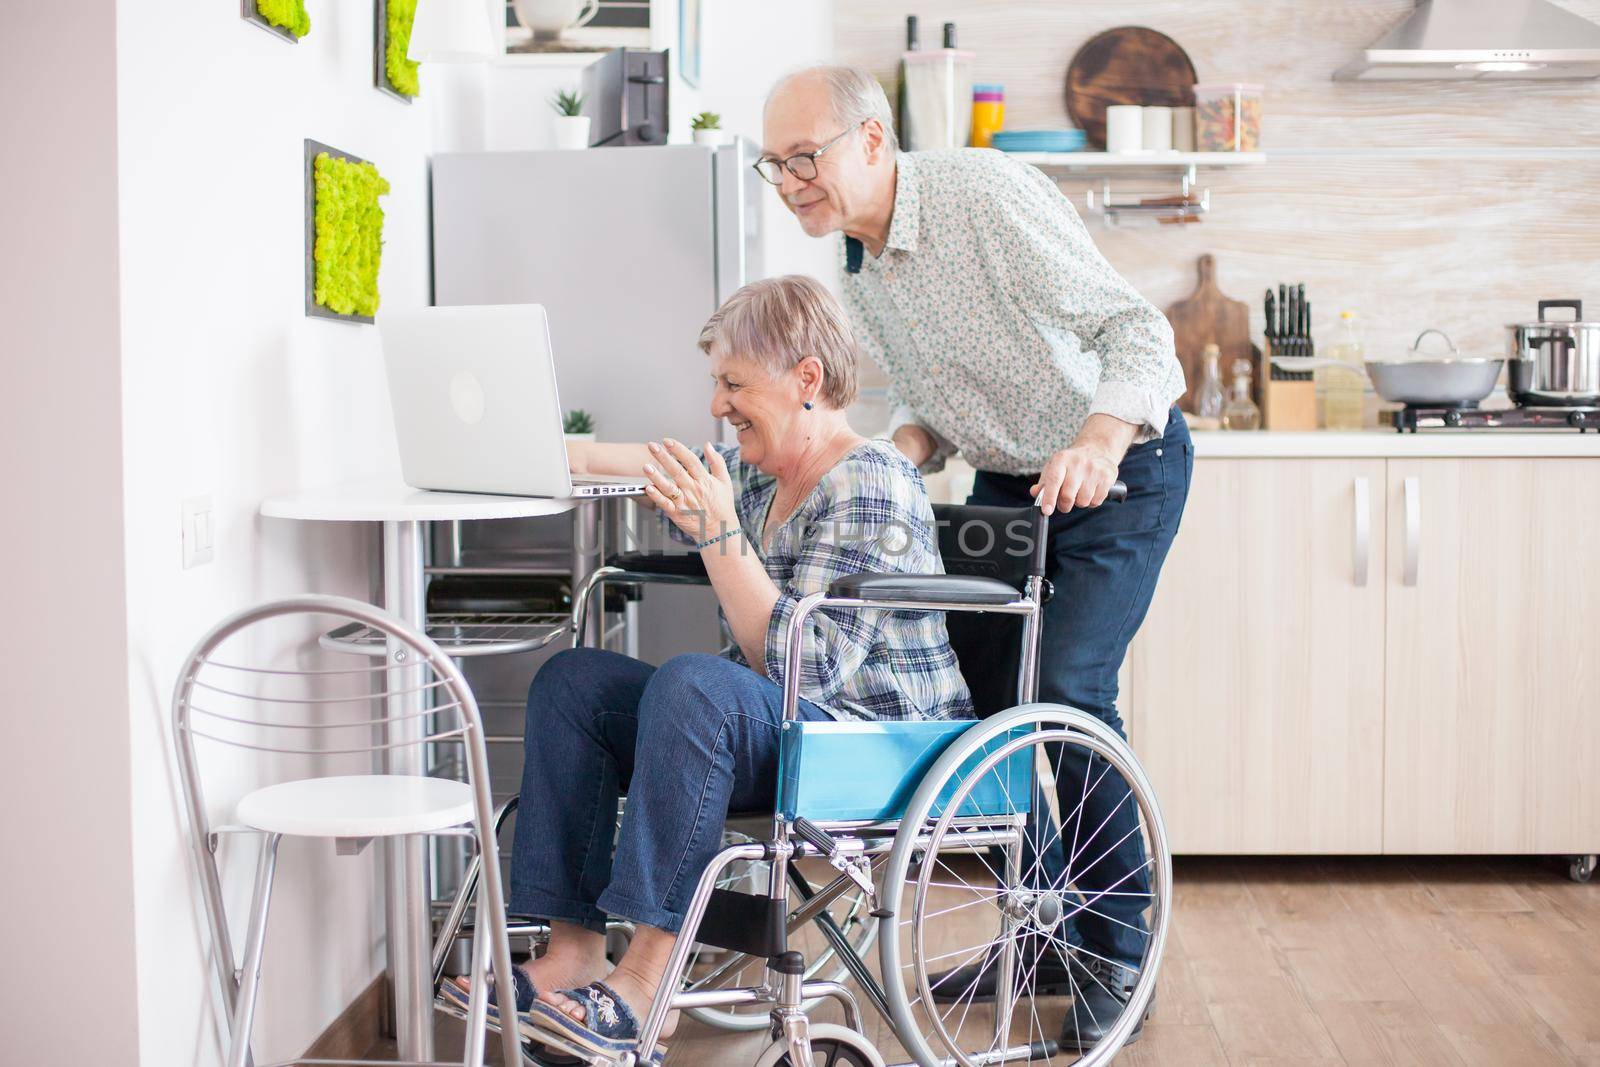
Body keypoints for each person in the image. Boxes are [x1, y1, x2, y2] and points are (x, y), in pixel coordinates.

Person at [759, 66, 1193, 1046]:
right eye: (773, 164)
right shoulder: (854, 270)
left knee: (1069, 690)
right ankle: (1044, 932)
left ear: (871, 141)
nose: (788, 182)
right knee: (989, 703)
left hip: (1121, 463)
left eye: (804, 158)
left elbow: (1139, 332)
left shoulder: (985, 199)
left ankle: (1120, 945)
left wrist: (1095, 440)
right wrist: (890, 455)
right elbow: (938, 410)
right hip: (1012, 482)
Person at [446, 275, 972, 1059]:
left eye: (733, 383)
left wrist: (720, 535)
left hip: (867, 745)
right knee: (574, 685)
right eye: (715, 384)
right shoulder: (758, 470)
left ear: (806, 379)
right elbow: (616, 456)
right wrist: (492, 447)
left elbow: (810, 668)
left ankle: (643, 986)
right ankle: (570, 952)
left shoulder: (872, 480)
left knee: (696, 685)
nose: (718, 403)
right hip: (777, 727)